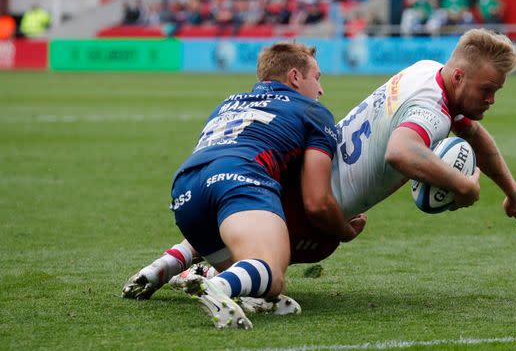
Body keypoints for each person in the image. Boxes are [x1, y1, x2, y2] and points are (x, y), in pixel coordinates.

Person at [123, 29, 516, 309]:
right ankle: (219, 280)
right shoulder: (430, 112)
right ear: (459, 76)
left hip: (264, 172)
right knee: (284, 262)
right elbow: (402, 153)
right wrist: (465, 186)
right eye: (487, 89)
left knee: (238, 220)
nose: (491, 98)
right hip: (312, 201)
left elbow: (473, 133)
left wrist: (511, 192)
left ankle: (171, 264)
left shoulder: (426, 70)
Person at [123, 42, 366, 329]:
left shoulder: (227, 102)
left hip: (186, 190)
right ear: (295, 77)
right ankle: (218, 287)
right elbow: (317, 202)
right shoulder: (313, 112)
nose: (321, 89)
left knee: (249, 269)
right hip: (240, 177)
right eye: (317, 77)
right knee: (273, 276)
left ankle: (173, 264)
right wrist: (344, 230)